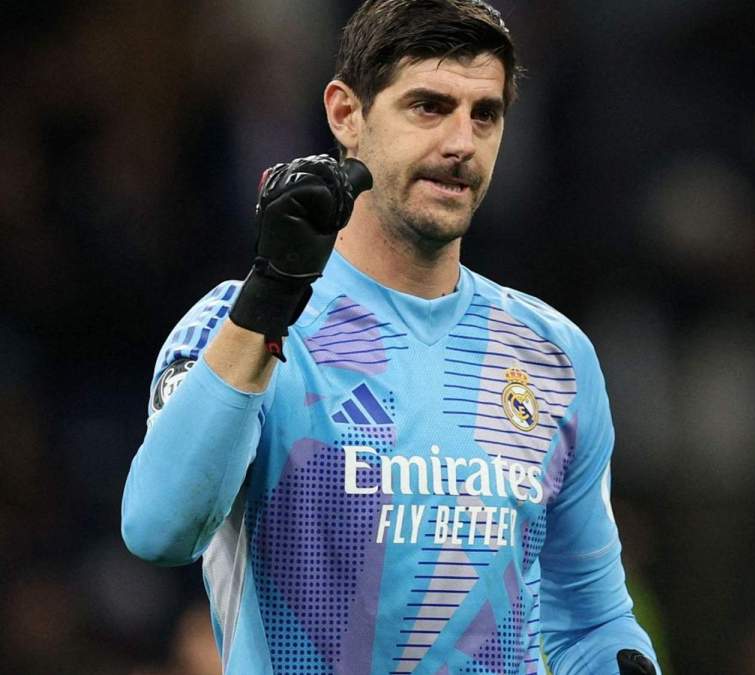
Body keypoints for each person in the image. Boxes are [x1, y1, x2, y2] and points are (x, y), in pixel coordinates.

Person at [120, 2, 661, 674]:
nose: (462, 142)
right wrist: (270, 296)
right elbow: (159, 528)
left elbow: (592, 619)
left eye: (484, 114)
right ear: (346, 113)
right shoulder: (237, 325)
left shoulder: (552, 354)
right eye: (429, 106)